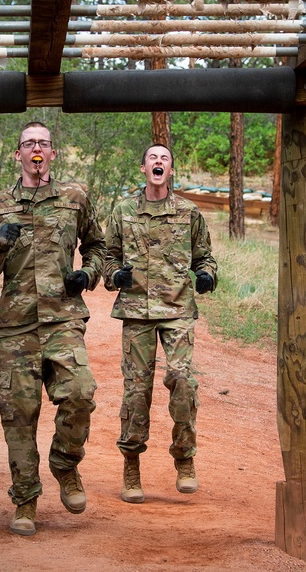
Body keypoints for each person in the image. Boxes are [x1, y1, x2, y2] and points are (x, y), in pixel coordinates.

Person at [0, 121, 105, 537]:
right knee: (18, 413)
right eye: (28, 143)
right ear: (17, 154)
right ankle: (26, 498)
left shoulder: (74, 198)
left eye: (42, 144)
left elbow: (98, 246)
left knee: (81, 392)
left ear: (52, 153)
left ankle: (65, 464)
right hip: (17, 327)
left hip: (64, 318)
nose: (35, 149)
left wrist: (89, 274)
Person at [104, 144, 218, 504]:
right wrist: (114, 275)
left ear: (171, 170)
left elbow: (205, 257)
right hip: (136, 311)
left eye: (164, 159)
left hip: (177, 310)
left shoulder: (188, 212)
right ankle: (131, 466)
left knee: (182, 380)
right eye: (152, 158)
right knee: (137, 391)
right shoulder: (123, 211)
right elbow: (108, 257)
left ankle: (184, 458)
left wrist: (206, 276)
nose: (158, 162)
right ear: (143, 169)